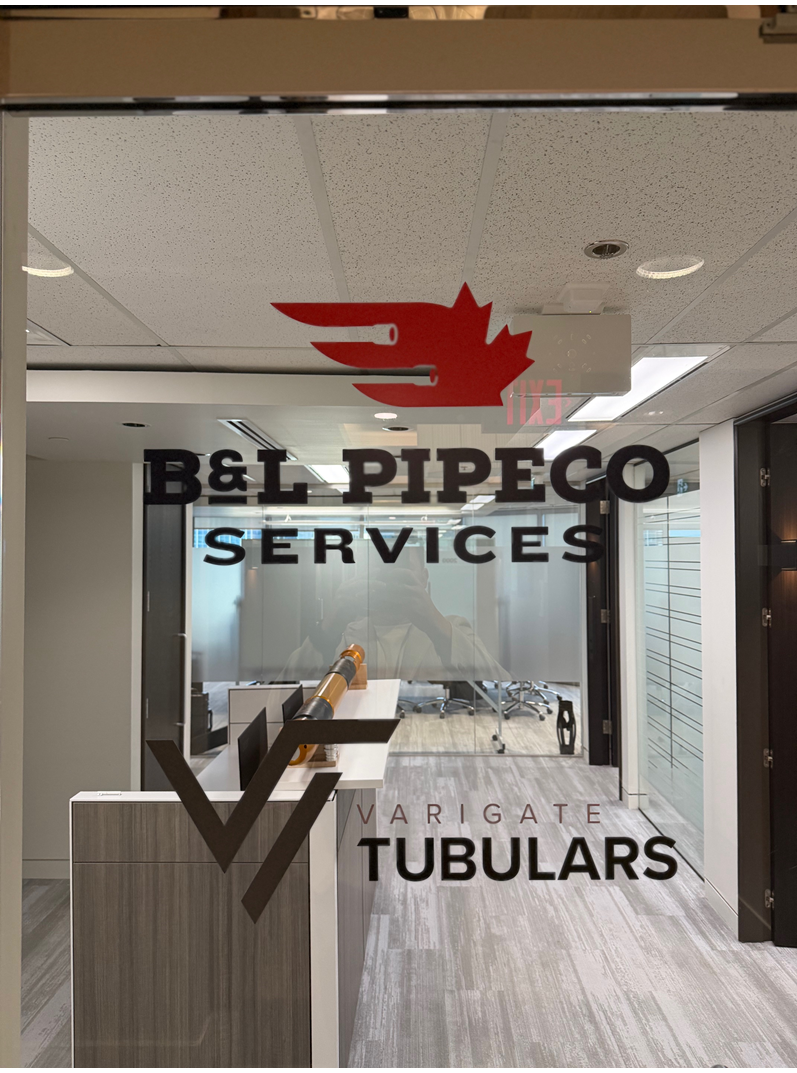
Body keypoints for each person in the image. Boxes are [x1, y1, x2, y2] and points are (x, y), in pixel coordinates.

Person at [280, 543, 507, 684]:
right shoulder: (339, 635)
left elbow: (501, 685)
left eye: (401, 572)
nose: (389, 581)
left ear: (424, 578)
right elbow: (283, 692)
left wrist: (434, 623)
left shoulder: (450, 628)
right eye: (381, 572)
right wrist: (330, 626)